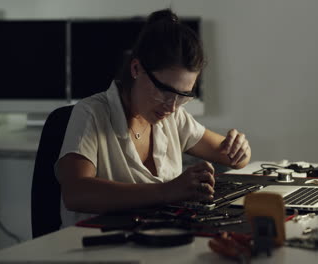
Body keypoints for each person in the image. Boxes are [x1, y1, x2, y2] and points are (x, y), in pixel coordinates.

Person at [56, 8, 251, 227]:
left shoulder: (174, 117)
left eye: (183, 96)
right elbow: (75, 194)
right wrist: (166, 191)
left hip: (156, 241)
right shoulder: (91, 113)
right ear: (136, 68)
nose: (172, 106)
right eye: (164, 91)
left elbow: (234, 158)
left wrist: (241, 148)